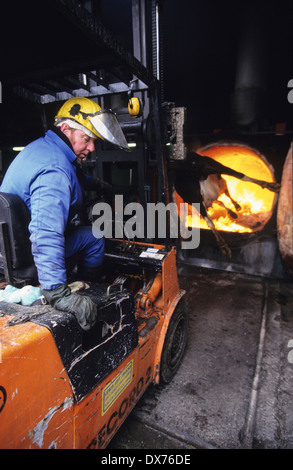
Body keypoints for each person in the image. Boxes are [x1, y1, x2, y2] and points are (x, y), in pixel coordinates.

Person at [0, 96, 129, 330]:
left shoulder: (45, 149)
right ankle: (89, 285)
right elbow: (46, 233)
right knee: (95, 237)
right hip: (30, 254)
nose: (91, 148)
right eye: (86, 139)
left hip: (11, 249)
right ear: (66, 129)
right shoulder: (55, 170)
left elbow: (76, 177)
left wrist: (100, 185)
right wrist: (58, 293)